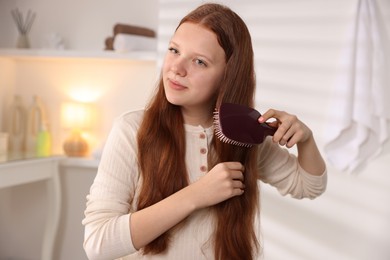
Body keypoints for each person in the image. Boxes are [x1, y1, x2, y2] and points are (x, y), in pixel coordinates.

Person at [82, 3, 327, 260]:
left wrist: (306, 139)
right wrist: (196, 195)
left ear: (228, 76)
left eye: (199, 61)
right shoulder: (132, 131)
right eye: (174, 50)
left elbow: (310, 186)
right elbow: (98, 243)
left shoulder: (243, 136)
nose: (177, 68)